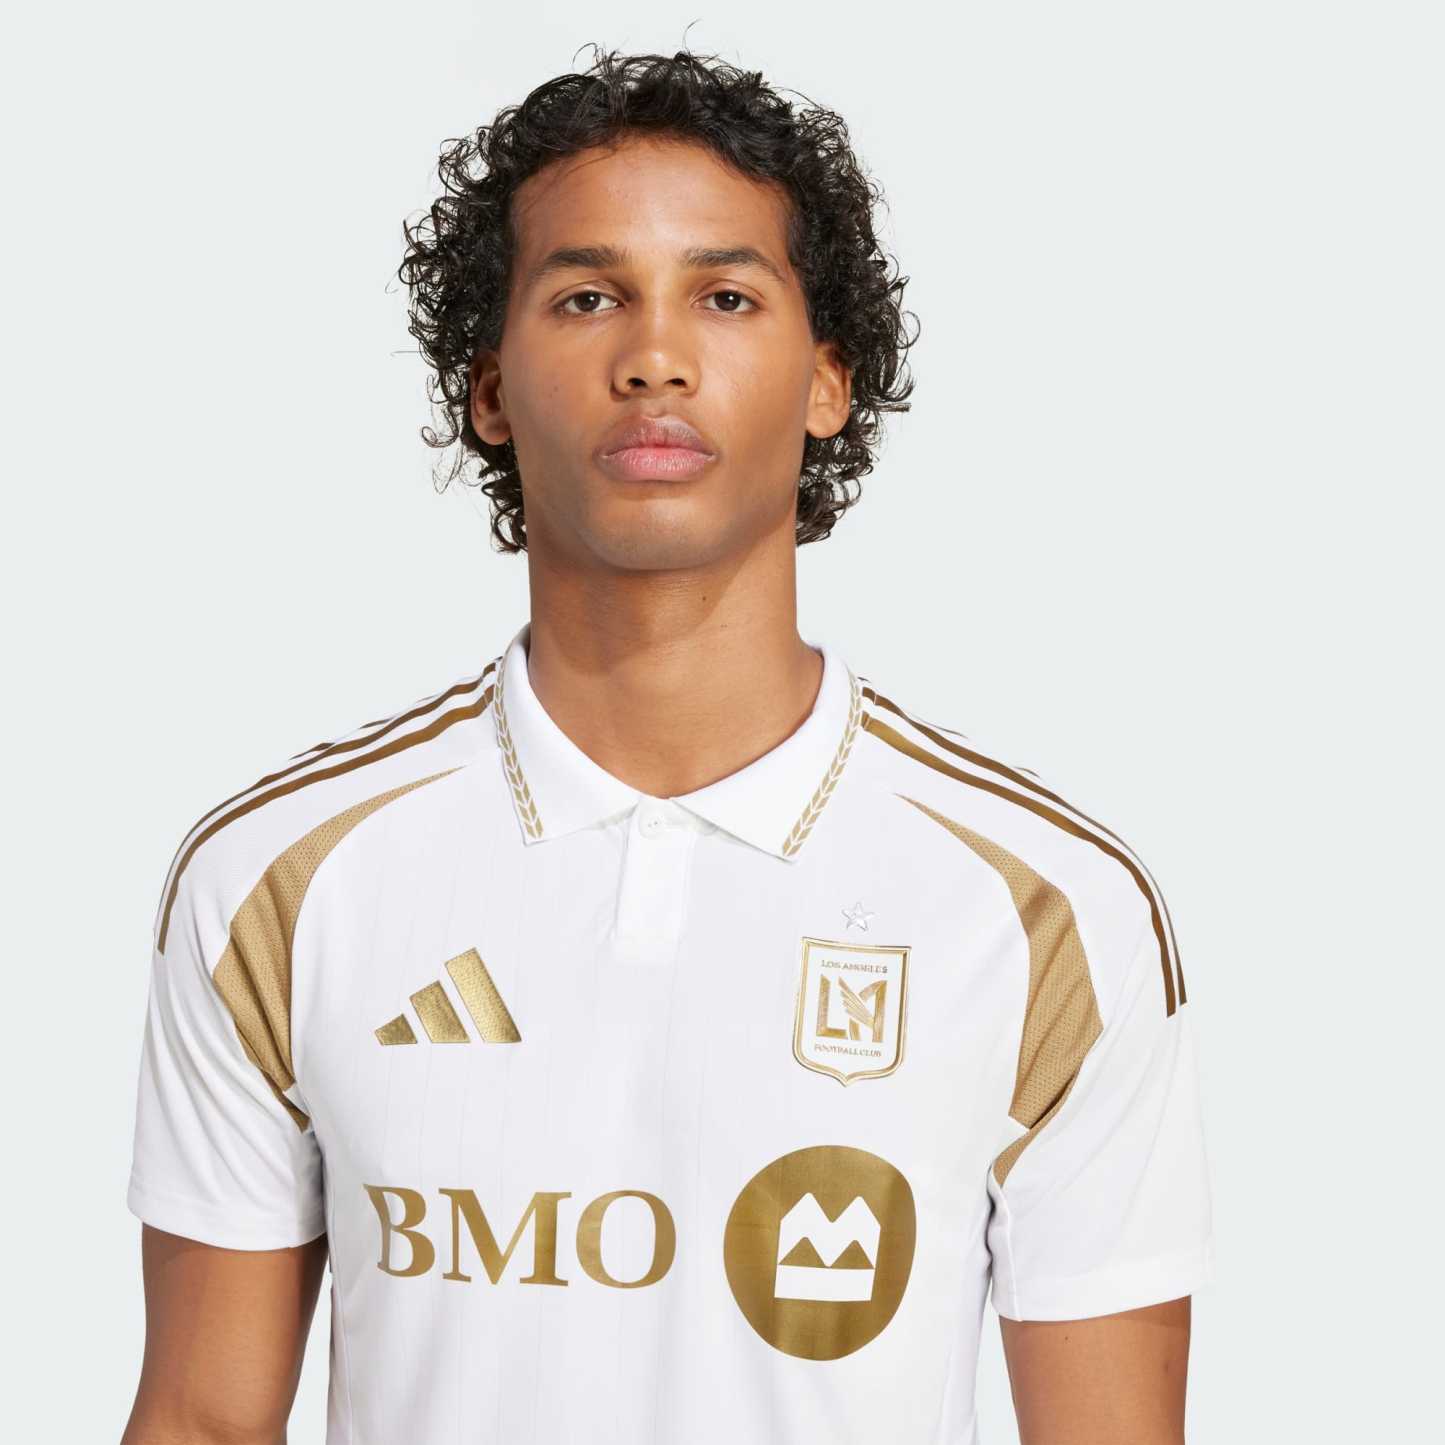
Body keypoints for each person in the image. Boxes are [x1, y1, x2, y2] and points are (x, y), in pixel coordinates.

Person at [121, 45, 1211, 1445]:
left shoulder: (1048, 909)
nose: (653, 356)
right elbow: (202, 1420)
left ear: (827, 381)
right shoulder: (277, 879)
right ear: (490, 389)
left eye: (725, 295)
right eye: (587, 297)